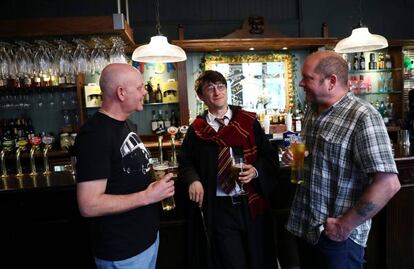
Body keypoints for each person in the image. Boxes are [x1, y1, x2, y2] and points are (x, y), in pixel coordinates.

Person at [283, 51, 401, 269]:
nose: (301, 83)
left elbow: (388, 183)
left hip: (337, 238)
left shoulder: (363, 116)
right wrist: (299, 156)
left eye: (307, 78)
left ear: (331, 81)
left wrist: (343, 226)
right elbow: (315, 155)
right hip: (305, 226)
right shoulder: (312, 109)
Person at [75, 63, 175, 269]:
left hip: (145, 239)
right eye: (139, 87)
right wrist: (147, 196)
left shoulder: (127, 124)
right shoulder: (94, 135)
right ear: (121, 92)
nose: (145, 91)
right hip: (122, 251)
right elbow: (89, 205)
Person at [178, 70, 279, 269]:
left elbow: (269, 157)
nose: (217, 92)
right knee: (232, 262)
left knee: (258, 258)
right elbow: (185, 162)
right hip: (219, 208)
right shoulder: (197, 129)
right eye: (210, 88)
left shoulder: (248, 122)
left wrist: (255, 171)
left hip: (250, 203)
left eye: (221, 86)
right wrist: (193, 179)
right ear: (201, 96)